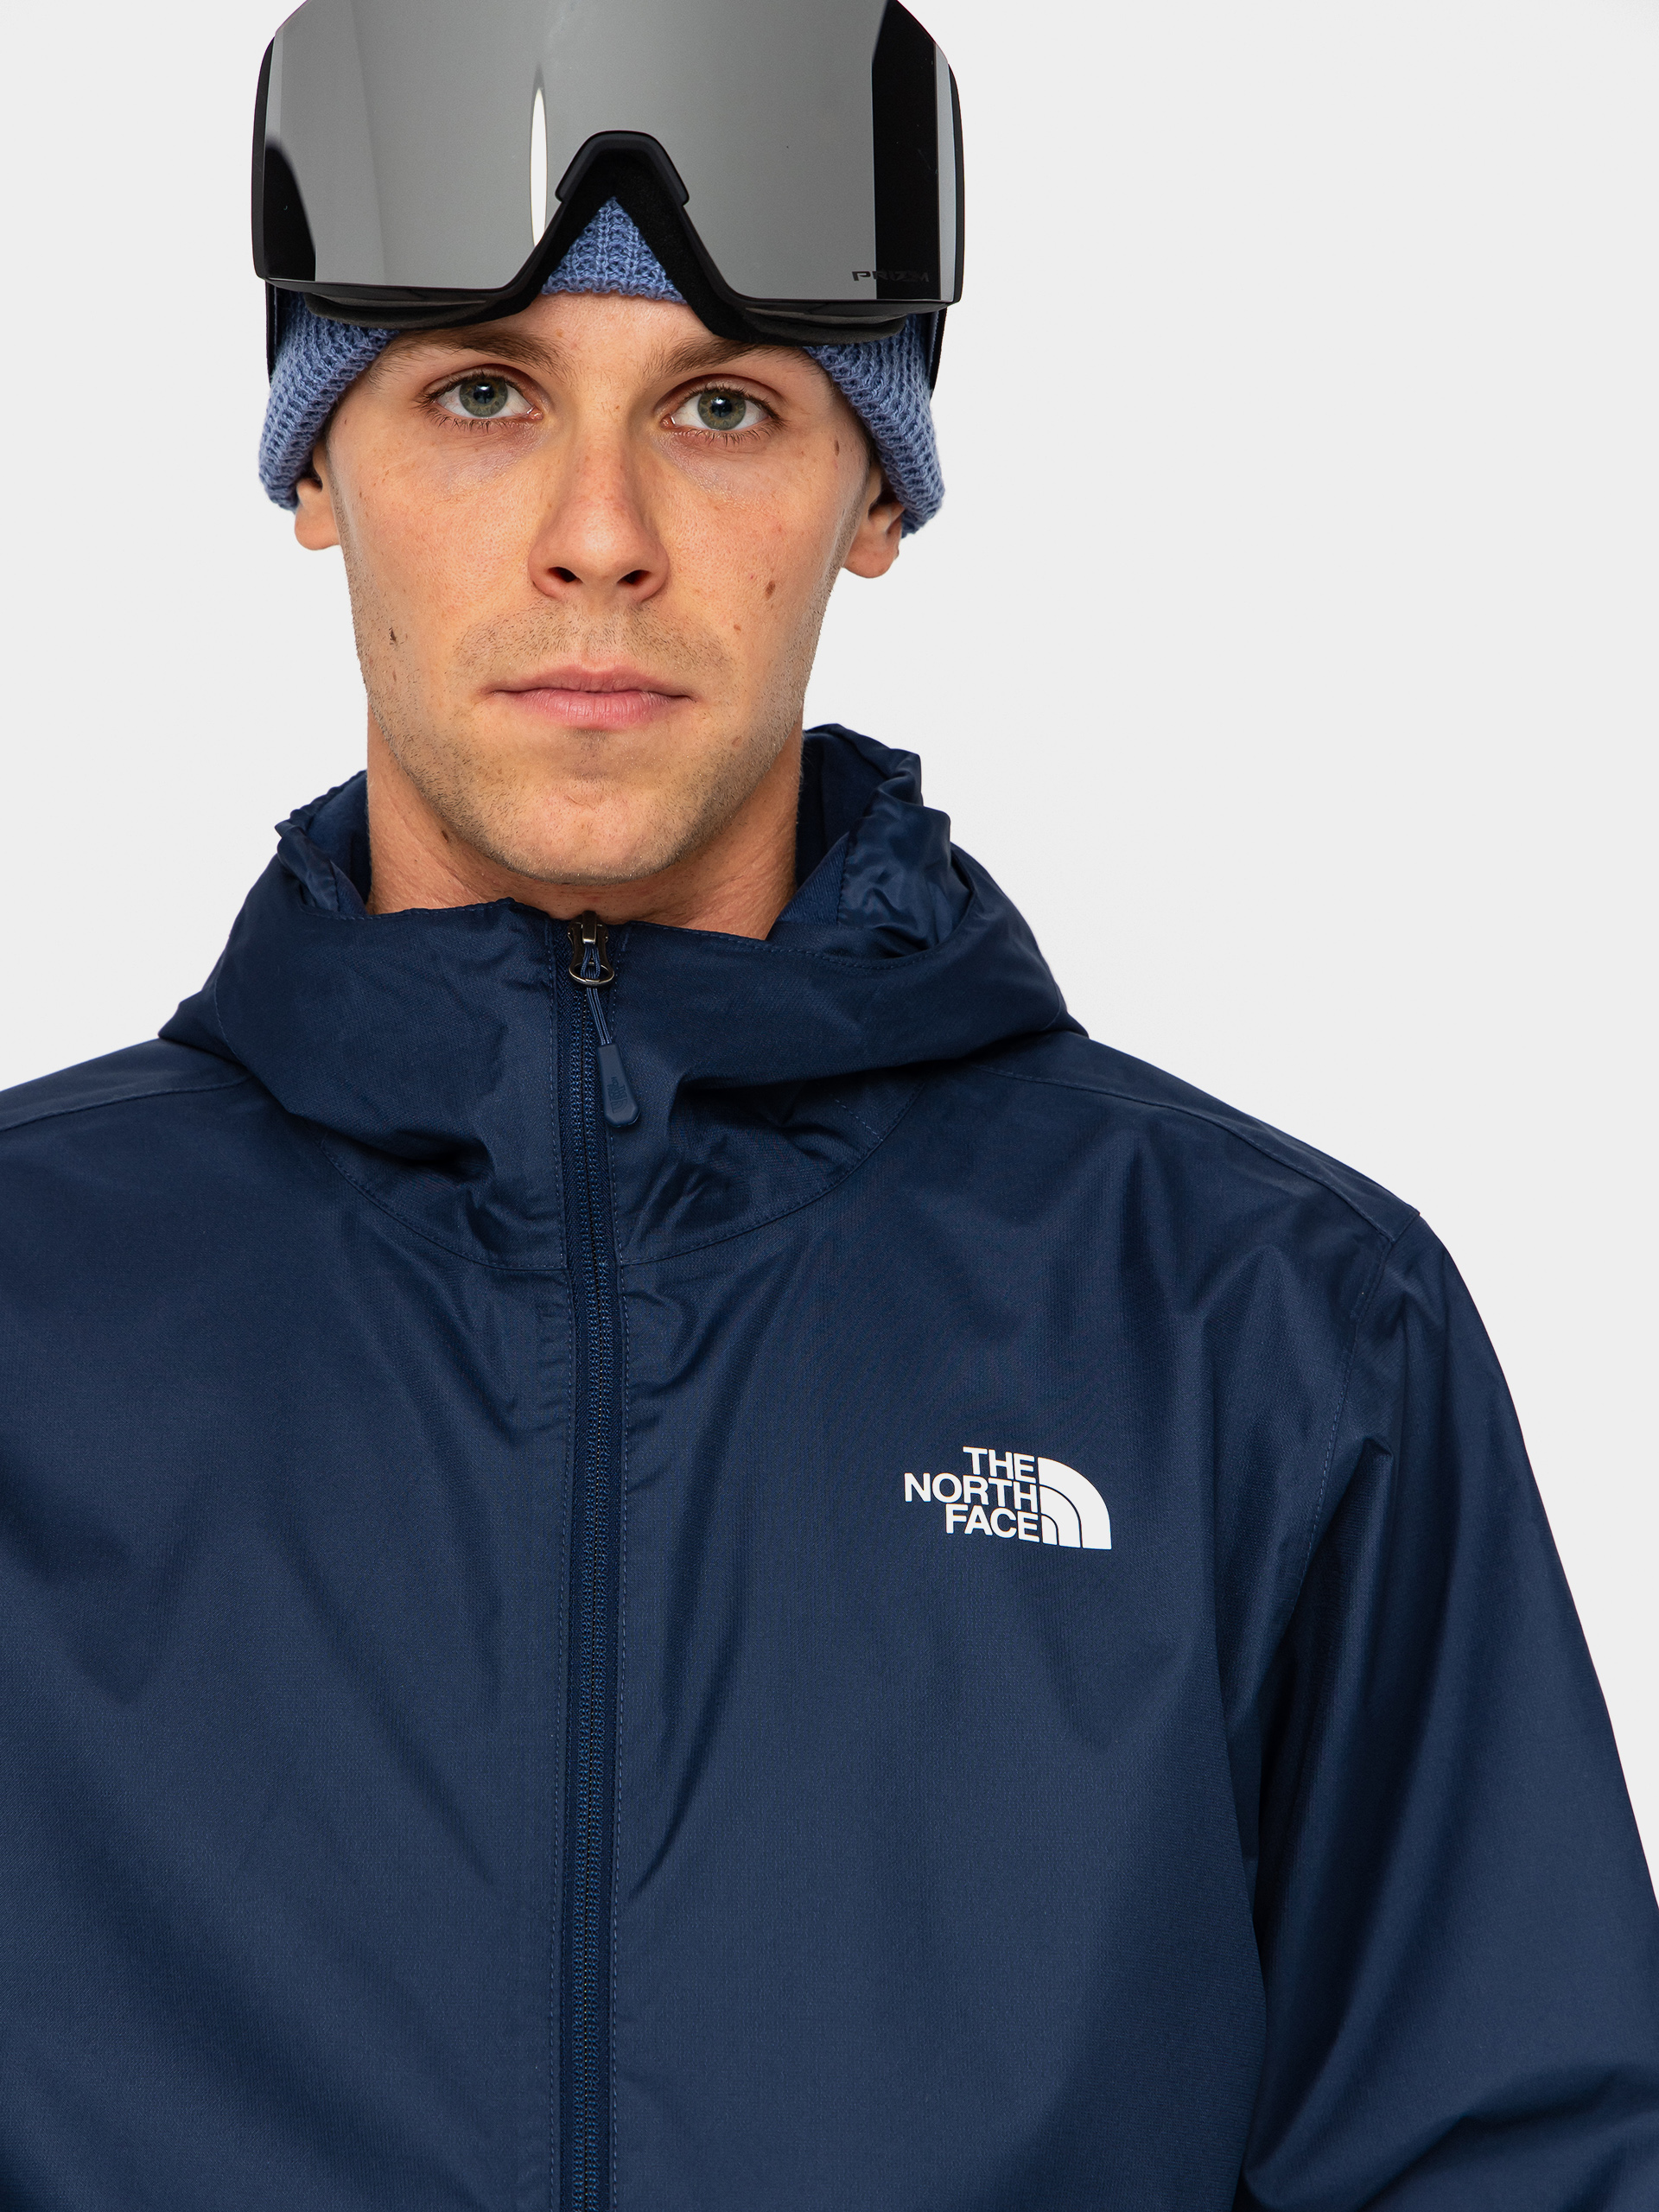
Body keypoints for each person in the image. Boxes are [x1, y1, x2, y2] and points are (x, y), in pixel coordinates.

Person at [2, 0, 1656, 2204]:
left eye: (723, 405)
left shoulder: (1273, 1334)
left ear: (873, 490)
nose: (602, 533)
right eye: (482, 393)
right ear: (318, 471)